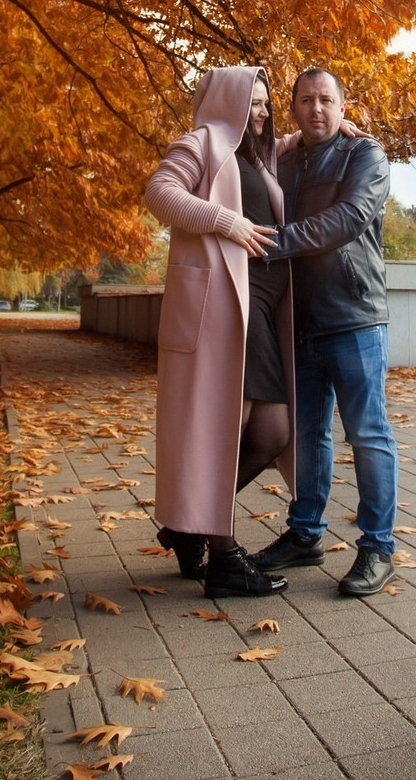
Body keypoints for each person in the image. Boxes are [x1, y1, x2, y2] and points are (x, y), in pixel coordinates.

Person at [144, 66, 294, 598]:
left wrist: (332, 124)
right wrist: (225, 221)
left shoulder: (255, 157)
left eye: (266, 103)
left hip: (260, 314)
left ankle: (190, 528)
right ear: (229, 100)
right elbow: (159, 193)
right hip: (225, 312)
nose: (263, 111)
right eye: (253, 101)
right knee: (228, 431)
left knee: (273, 433)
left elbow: (288, 143)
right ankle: (224, 557)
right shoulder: (202, 142)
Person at [250, 67, 398, 597]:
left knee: (368, 434)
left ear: (342, 106)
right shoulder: (284, 160)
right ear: (293, 108)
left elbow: (348, 218)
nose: (317, 109)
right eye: (307, 100)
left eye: (326, 100)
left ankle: (378, 547)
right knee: (307, 435)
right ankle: (305, 533)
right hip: (299, 321)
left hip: (355, 317)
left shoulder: (366, 155)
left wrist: (274, 242)